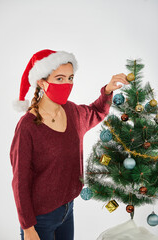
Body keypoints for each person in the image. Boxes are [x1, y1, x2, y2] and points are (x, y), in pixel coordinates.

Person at [9, 49, 129, 240]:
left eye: (71, 78)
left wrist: (107, 90)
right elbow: (20, 182)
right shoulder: (27, 127)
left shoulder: (72, 111)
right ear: (42, 82)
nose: (67, 84)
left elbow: (96, 111)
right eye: (59, 78)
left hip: (67, 210)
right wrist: (28, 228)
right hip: (40, 219)